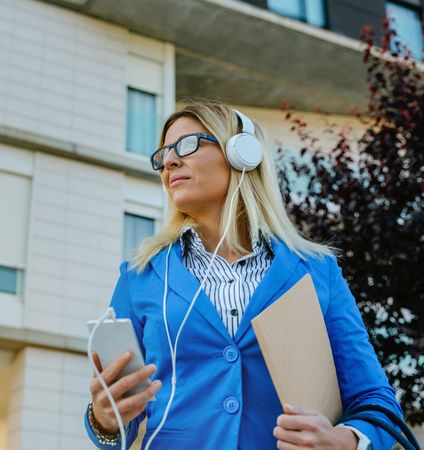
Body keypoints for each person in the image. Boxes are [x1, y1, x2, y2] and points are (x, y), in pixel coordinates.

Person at [84, 99, 404, 450]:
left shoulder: (317, 271)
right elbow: (119, 421)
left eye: (187, 145)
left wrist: (342, 440)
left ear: (242, 153)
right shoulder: (139, 276)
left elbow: (377, 403)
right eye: (163, 155)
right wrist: (104, 418)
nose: (169, 162)